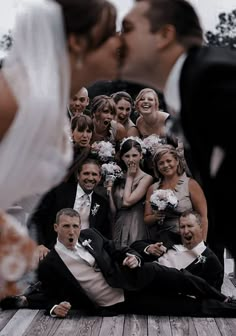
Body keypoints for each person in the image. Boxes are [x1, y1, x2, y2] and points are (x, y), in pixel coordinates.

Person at [119, 0, 235, 263]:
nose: (118, 39)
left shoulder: (215, 77)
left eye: (127, 29)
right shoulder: (190, 89)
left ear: (164, 35)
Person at [3, 208, 236, 317]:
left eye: (75, 226)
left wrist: (131, 256)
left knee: (183, 280)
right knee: (180, 307)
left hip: (134, 275)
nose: (72, 231)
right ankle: (229, 309)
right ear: (56, 228)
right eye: (66, 226)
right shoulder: (50, 263)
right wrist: (54, 308)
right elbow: (50, 292)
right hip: (121, 303)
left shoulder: (91, 234)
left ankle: (222, 297)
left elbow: (115, 247)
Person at [30, 159, 111, 260]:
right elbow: (37, 218)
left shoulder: (102, 204)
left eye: (94, 174)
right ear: (78, 176)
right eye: (86, 173)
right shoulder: (59, 192)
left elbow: (105, 234)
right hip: (52, 251)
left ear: (99, 178)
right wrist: (39, 244)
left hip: (85, 255)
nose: (90, 178)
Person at [131, 209, 223, 290]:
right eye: (182, 227)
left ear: (200, 228)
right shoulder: (169, 238)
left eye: (190, 226)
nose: (186, 231)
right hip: (137, 278)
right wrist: (148, 249)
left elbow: (212, 295)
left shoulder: (211, 261)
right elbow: (135, 245)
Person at [144, 145, 208, 248]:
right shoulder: (153, 188)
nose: (165, 165)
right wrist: (156, 217)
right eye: (161, 163)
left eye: (169, 161)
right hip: (165, 241)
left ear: (177, 161)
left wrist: (202, 244)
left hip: (190, 239)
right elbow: (147, 219)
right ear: (157, 166)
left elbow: (203, 217)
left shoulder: (191, 184)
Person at [107, 137, 153, 246]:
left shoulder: (147, 178)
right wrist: (109, 191)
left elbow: (127, 202)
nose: (131, 160)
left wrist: (130, 177)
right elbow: (114, 210)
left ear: (141, 155)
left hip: (136, 224)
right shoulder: (118, 177)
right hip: (118, 223)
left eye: (134, 155)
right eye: (127, 156)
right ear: (122, 157)